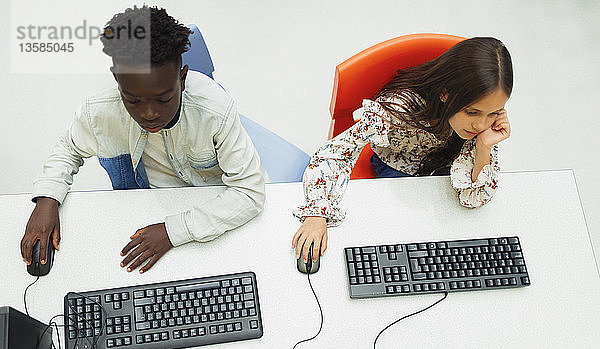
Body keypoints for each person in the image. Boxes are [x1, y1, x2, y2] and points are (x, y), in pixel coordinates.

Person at [20, 6, 266, 273]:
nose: (149, 114)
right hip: (143, 213)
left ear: (182, 78)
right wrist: (47, 199)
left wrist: (172, 232)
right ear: (117, 80)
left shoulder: (214, 110)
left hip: (212, 214)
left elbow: (249, 192)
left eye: (163, 99)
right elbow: (68, 149)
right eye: (133, 100)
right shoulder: (99, 112)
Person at [292, 37, 513, 264]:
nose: (480, 125)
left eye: (494, 112)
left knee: (460, 232)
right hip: (398, 163)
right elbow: (334, 153)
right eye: (472, 112)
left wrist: (484, 146)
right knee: (405, 239)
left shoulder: (480, 125)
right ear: (446, 94)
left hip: (441, 164)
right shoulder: (397, 110)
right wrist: (316, 213)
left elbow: (474, 197)